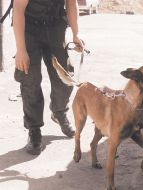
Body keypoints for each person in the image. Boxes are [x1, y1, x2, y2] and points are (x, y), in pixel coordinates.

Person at [12, 0, 84, 155]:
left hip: (55, 28)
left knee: (65, 79)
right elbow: (18, 8)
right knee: (30, 80)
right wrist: (20, 49)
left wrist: (76, 33)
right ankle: (34, 130)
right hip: (30, 30)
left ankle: (59, 112)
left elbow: (71, 4)